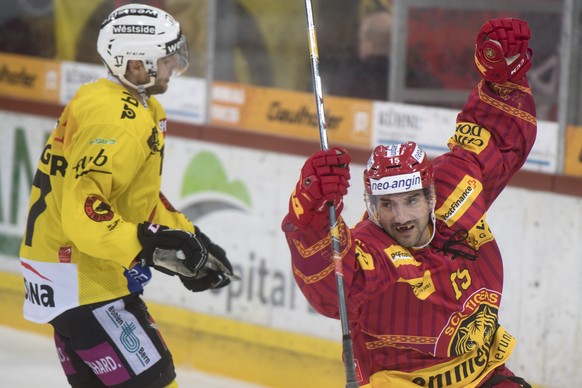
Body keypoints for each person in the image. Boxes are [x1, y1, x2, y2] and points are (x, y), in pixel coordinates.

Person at [282, 17, 535, 387]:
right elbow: (331, 287)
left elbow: (497, 138)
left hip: (483, 376)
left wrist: (502, 78)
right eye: (386, 204)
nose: (400, 217)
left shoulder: (457, 189)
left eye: (411, 200)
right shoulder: (372, 250)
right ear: (370, 206)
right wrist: (313, 215)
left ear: (432, 195)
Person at [19, 4, 235, 387]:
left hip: (69, 281)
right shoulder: (116, 119)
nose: (174, 66)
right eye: (166, 58)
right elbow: (85, 212)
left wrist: (187, 236)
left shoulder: (116, 101)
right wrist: (149, 246)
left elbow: (135, 198)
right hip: (86, 283)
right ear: (135, 66)